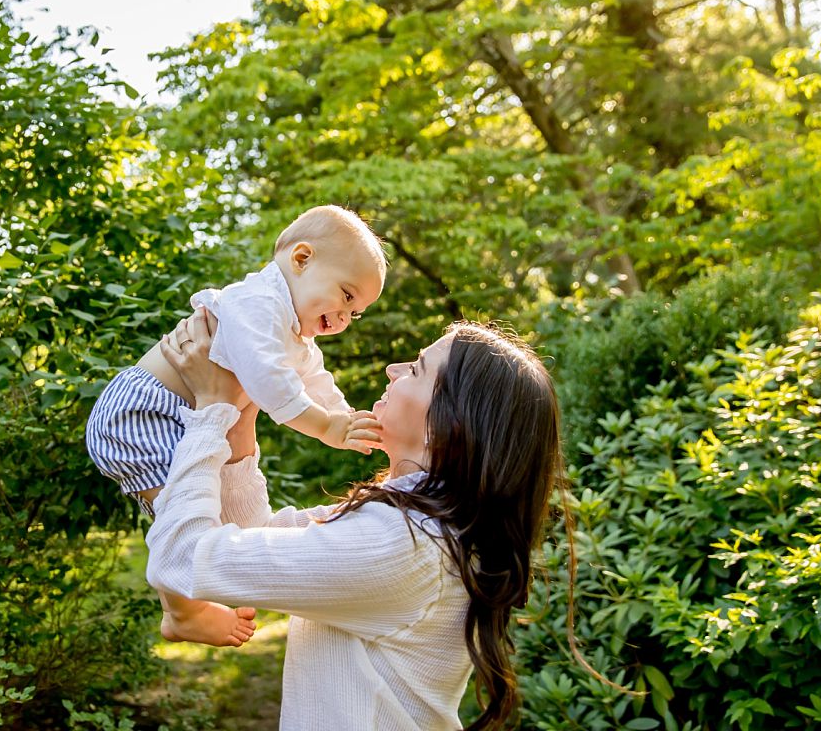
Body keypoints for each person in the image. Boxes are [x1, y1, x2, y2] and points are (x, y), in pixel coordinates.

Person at [146, 309, 570, 731]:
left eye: (417, 369)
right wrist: (241, 420)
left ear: (448, 425)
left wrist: (212, 411)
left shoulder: (405, 544)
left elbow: (182, 559)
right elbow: (253, 537)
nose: (392, 369)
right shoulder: (417, 524)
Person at [85, 205, 387, 647]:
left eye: (355, 312)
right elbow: (272, 385)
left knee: (207, 512)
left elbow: (316, 380)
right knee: (181, 514)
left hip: (176, 415)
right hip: (141, 415)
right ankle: (182, 612)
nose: (343, 319)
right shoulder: (259, 303)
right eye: (346, 295)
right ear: (302, 259)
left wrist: (344, 417)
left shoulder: (294, 332)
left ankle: (185, 605)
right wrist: (328, 428)